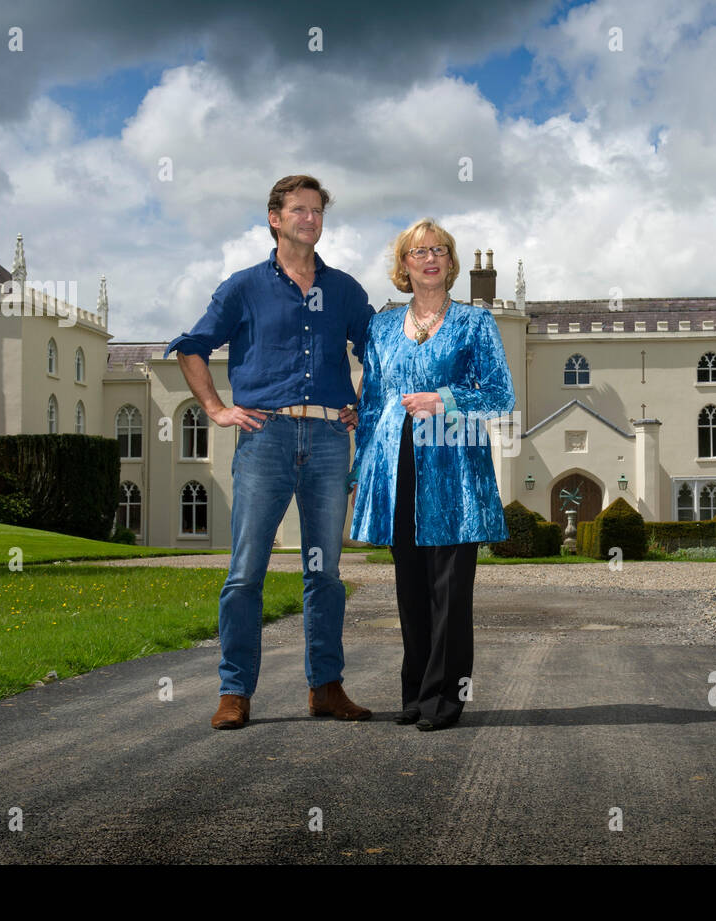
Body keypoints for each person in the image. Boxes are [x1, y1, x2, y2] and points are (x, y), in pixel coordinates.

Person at [166, 174, 374, 729]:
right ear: (275, 219)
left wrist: (364, 403)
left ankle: (326, 688)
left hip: (330, 440)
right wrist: (215, 408)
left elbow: (382, 349)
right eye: (298, 210)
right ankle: (234, 692)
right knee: (245, 571)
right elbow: (192, 347)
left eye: (317, 211)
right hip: (265, 438)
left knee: (325, 573)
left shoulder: (347, 291)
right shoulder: (242, 288)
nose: (310, 218)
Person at [349, 219, 515, 731]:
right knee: (410, 587)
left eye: (439, 250)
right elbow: (373, 403)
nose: (429, 258)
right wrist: (361, 471)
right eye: (418, 251)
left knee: (450, 590)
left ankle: (445, 698)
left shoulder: (475, 324)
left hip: (454, 466)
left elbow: (500, 395)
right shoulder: (380, 327)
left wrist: (444, 399)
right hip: (394, 465)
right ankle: (416, 693)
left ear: (450, 262)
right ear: (403, 264)